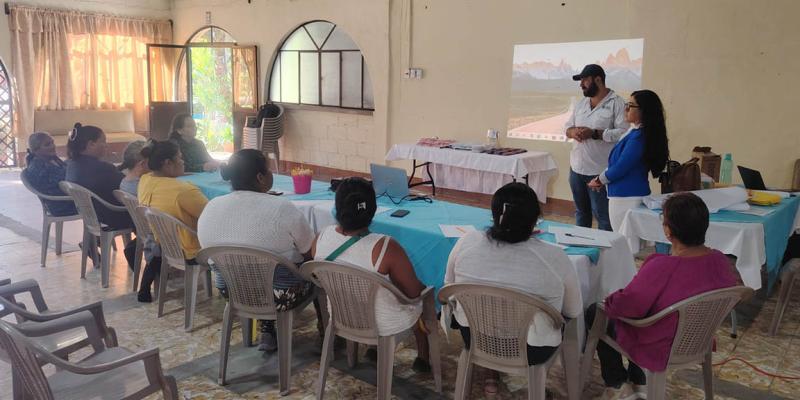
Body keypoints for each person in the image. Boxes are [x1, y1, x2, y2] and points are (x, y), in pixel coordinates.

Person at [587, 192, 738, 400]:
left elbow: (627, 306)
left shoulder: (661, 266)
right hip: (698, 339)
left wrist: (609, 300)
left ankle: (617, 384)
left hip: (661, 344)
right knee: (642, 313)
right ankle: (639, 380)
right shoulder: (721, 261)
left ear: (668, 231)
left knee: (595, 313)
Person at [444, 182, 582, 395]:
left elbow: (449, 288)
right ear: (535, 220)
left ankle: (491, 372)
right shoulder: (555, 257)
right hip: (532, 349)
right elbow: (572, 311)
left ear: (494, 214)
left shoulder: (467, 242)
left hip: (475, 337)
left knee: (488, 312)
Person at [197, 149, 318, 352]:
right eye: (269, 170)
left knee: (265, 270)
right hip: (280, 296)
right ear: (261, 177)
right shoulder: (281, 208)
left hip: (231, 289)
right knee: (316, 274)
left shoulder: (211, 206)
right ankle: (327, 337)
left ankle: (267, 328)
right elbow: (310, 253)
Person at [311, 177, 432, 373]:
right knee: (423, 297)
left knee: (380, 293)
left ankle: (373, 349)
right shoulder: (386, 246)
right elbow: (413, 293)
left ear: (337, 207)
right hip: (383, 325)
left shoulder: (321, 237)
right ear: (373, 210)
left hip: (341, 317)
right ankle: (423, 356)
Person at [588, 90, 670, 231]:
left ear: (643, 111)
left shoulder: (638, 137)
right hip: (626, 194)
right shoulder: (635, 132)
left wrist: (599, 180)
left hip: (627, 197)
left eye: (631, 105)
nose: (626, 108)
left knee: (624, 241)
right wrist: (600, 178)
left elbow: (621, 166)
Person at [137, 140, 209, 302]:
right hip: (191, 249)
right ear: (167, 163)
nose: (183, 161)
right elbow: (212, 216)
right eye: (180, 158)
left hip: (164, 244)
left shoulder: (145, 179)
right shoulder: (183, 190)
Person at [565, 64, 627, 231]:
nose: (581, 84)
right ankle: (581, 251)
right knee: (581, 213)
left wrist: (595, 133)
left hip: (600, 171)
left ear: (598, 80)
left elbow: (624, 134)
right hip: (577, 169)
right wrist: (573, 132)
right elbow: (567, 127)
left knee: (603, 217)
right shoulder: (581, 103)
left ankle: (604, 254)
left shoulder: (618, 103)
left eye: (585, 80)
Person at [65, 123, 133, 230]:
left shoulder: (71, 164)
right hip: (115, 215)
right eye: (103, 142)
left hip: (93, 216)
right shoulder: (103, 169)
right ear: (91, 144)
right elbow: (126, 186)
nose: (107, 145)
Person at [23, 132, 77, 216]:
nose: (53, 146)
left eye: (52, 142)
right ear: (36, 150)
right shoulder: (38, 166)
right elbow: (60, 185)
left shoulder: (50, 160)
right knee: (97, 202)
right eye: (47, 144)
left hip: (68, 199)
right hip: (61, 205)